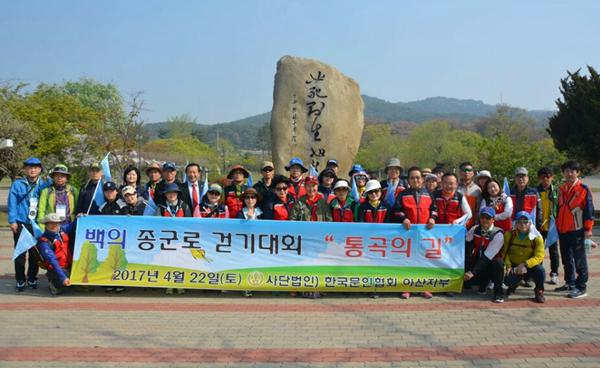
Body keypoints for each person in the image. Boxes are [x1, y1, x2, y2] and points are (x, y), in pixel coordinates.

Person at [392, 167, 437, 299]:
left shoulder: (428, 194)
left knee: (424, 260)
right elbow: (396, 211)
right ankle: (407, 287)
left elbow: (434, 209)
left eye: (418, 177)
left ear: (422, 179)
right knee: (408, 261)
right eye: (412, 178)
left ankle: (424, 287)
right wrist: (403, 218)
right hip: (407, 235)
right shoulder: (402, 194)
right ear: (409, 180)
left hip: (425, 234)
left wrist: (432, 218)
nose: (415, 180)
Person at [8, 157, 52, 291]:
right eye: (29, 167)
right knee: (20, 253)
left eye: (35, 167)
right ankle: (20, 280)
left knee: (35, 254)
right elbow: (12, 203)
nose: (32, 170)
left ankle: (32, 278)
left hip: (37, 224)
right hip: (21, 223)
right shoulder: (18, 184)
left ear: (40, 169)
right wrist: (12, 221)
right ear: (25, 169)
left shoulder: (45, 184)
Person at [554, 160, 595, 298]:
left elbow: (589, 211)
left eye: (572, 171)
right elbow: (558, 209)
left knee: (579, 260)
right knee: (566, 259)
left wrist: (588, 229)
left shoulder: (583, 189)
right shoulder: (561, 189)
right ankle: (570, 283)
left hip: (577, 230)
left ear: (578, 173)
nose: (569, 173)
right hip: (562, 230)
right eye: (566, 171)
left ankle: (581, 287)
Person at [464, 207, 505, 303]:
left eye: (488, 218)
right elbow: (466, 245)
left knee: (498, 263)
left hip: (491, 264)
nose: (485, 220)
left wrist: (472, 272)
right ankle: (480, 285)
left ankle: (498, 292)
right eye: (482, 217)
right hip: (479, 261)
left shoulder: (498, 234)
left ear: (493, 219)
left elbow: (487, 256)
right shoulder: (475, 229)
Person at [503, 211, 546, 303]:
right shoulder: (509, 235)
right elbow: (504, 253)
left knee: (540, 270)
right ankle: (513, 285)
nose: (522, 224)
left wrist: (525, 264)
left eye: (525, 221)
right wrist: (508, 265)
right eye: (519, 221)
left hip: (529, 267)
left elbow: (539, 256)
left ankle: (539, 291)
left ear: (530, 223)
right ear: (515, 223)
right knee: (507, 280)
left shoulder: (537, 237)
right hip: (514, 266)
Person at [35, 213, 76, 295]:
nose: (54, 226)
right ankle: (54, 284)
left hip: (68, 264)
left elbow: (72, 225)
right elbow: (53, 262)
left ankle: (66, 277)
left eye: (56, 223)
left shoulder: (62, 230)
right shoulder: (44, 243)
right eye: (51, 223)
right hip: (57, 268)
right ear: (46, 225)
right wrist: (63, 278)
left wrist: (79, 218)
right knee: (64, 276)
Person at [536, 166, 559, 285]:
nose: (545, 180)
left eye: (548, 177)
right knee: (538, 251)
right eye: (542, 177)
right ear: (539, 178)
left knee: (554, 251)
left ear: (552, 178)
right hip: (539, 227)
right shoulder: (535, 191)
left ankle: (554, 274)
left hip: (552, 227)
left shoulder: (556, 191)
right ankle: (537, 274)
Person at [37, 164, 79, 230]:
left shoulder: (73, 191)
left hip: (70, 226)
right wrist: (41, 227)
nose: (59, 178)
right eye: (57, 175)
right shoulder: (46, 191)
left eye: (62, 176)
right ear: (53, 177)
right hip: (52, 227)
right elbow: (41, 211)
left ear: (66, 178)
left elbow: (78, 209)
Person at [457, 161, 481, 228]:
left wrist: (476, 224)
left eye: (469, 170)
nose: (466, 172)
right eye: (464, 170)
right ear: (460, 173)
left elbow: (478, 209)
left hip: (472, 224)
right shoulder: (455, 187)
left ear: (473, 173)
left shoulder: (477, 189)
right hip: (457, 223)